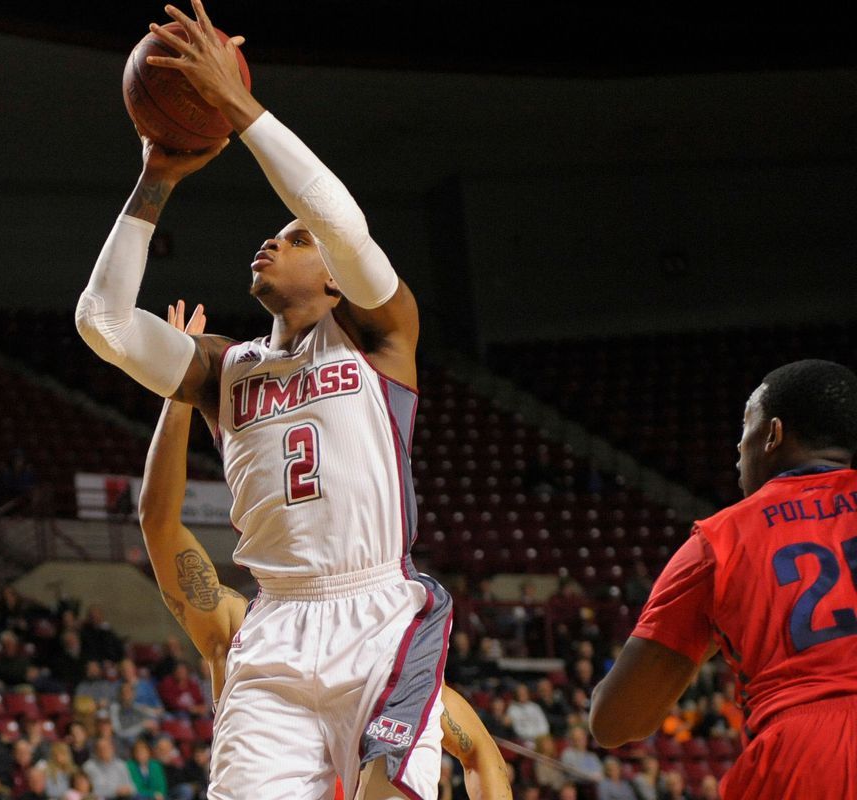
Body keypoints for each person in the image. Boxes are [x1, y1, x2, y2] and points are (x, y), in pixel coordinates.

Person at [77, 3, 454, 795]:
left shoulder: (382, 335)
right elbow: (103, 322)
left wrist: (240, 109)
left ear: (331, 276)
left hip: (378, 612)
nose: (276, 239)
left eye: (297, 238)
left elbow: (340, 222)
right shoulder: (224, 368)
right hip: (272, 623)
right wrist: (154, 180)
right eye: (276, 234)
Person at [135, 303, 509, 800]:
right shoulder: (239, 632)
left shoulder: (387, 666)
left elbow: (485, 757)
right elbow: (159, 525)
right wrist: (179, 391)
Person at [590, 360, 857, 798]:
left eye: (745, 426)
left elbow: (618, 721)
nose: (738, 446)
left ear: (773, 434)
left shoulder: (721, 540)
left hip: (806, 757)